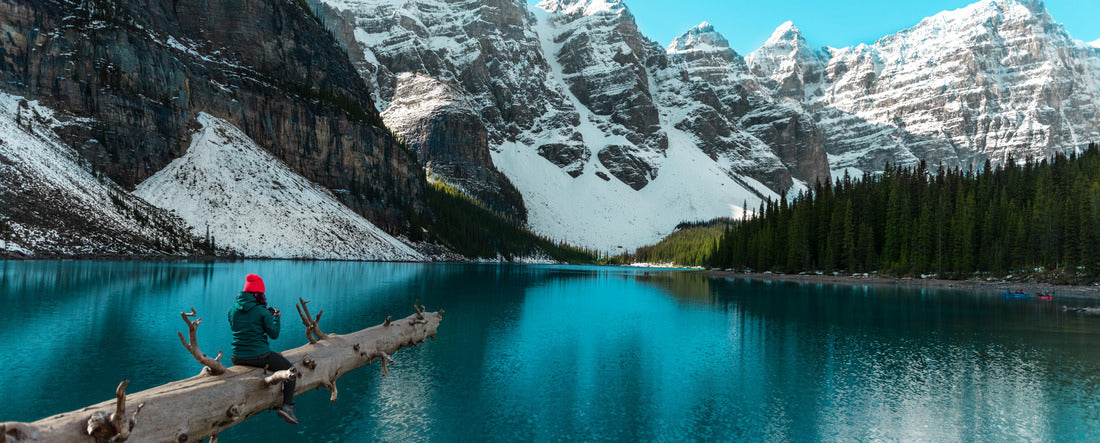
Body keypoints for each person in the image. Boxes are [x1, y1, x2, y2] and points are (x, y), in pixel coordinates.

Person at [228, 273, 299, 424]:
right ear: (257, 294)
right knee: (290, 370)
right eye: (262, 294)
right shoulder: (261, 311)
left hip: (236, 357)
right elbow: (274, 334)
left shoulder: (233, 310)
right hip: (258, 356)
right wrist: (276, 318)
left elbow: (238, 328)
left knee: (273, 359)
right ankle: (287, 407)